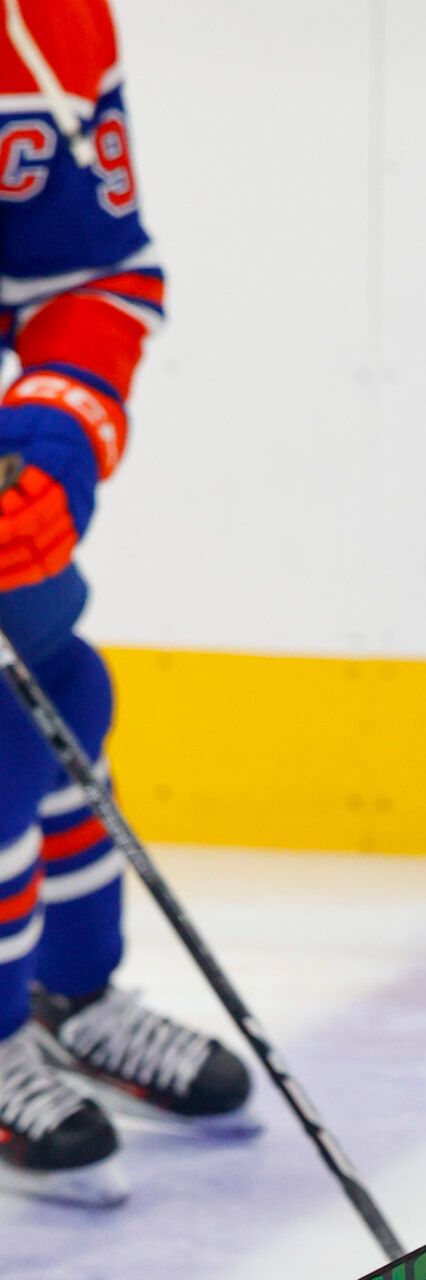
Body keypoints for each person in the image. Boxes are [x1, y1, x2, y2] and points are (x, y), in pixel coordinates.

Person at [0, 0, 250, 1208]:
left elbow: (87, 276)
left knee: (51, 681)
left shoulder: (45, 23)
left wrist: (49, 449)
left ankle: (66, 995)